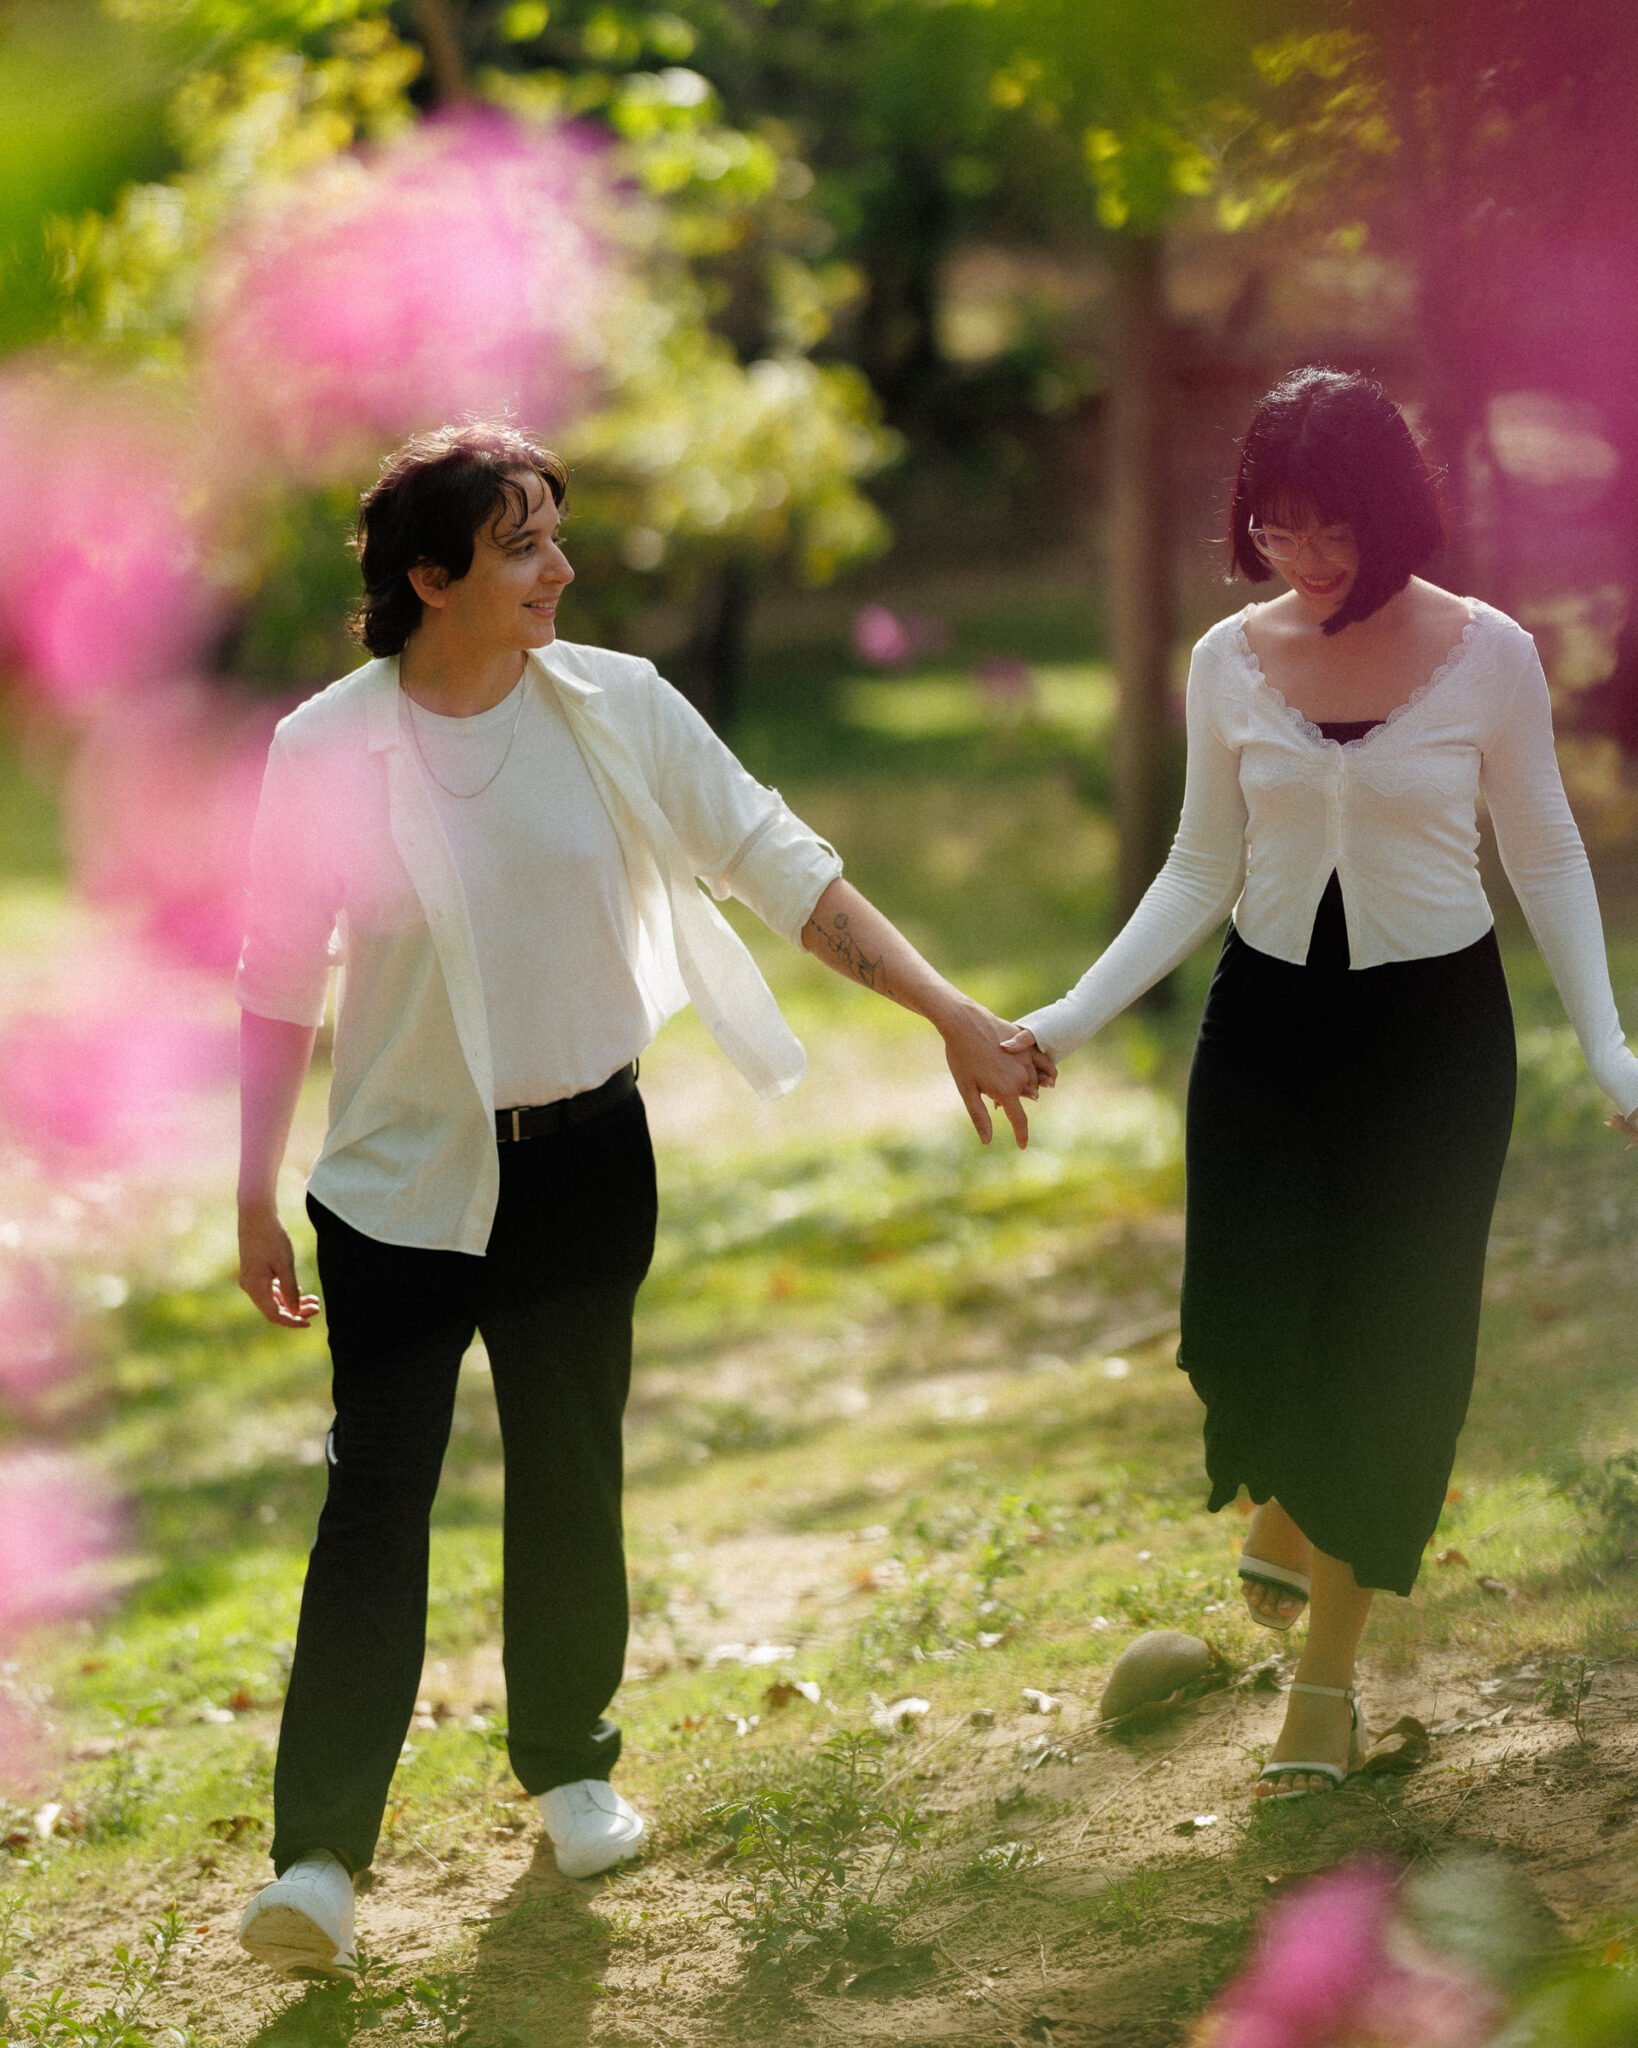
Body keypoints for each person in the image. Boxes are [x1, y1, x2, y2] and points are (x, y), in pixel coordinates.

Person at [232, 420, 1051, 1979]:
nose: (561, 566)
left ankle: (569, 1760)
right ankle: (319, 1862)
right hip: (397, 1189)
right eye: (523, 542)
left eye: (555, 532)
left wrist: (946, 1010)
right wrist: (253, 1195)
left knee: (569, 1467)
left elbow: (774, 859)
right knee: (372, 1512)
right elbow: (275, 983)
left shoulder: (616, 706)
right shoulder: (323, 752)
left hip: (583, 1161)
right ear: (430, 577)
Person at [1004, 366, 1638, 1799]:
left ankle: (1325, 1687)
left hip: (1431, 1044)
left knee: (1385, 1350)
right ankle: (1288, 1510)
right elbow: (1195, 869)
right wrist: (1077, 1015)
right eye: (1280, 529)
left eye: (1334, 527)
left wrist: (1606, 1045)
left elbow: (1539, 853)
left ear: (1389, 509)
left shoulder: (1485, 655)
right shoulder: (1229, 657)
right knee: (1243, 1322)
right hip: (1265, 1032)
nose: (1310, 558)